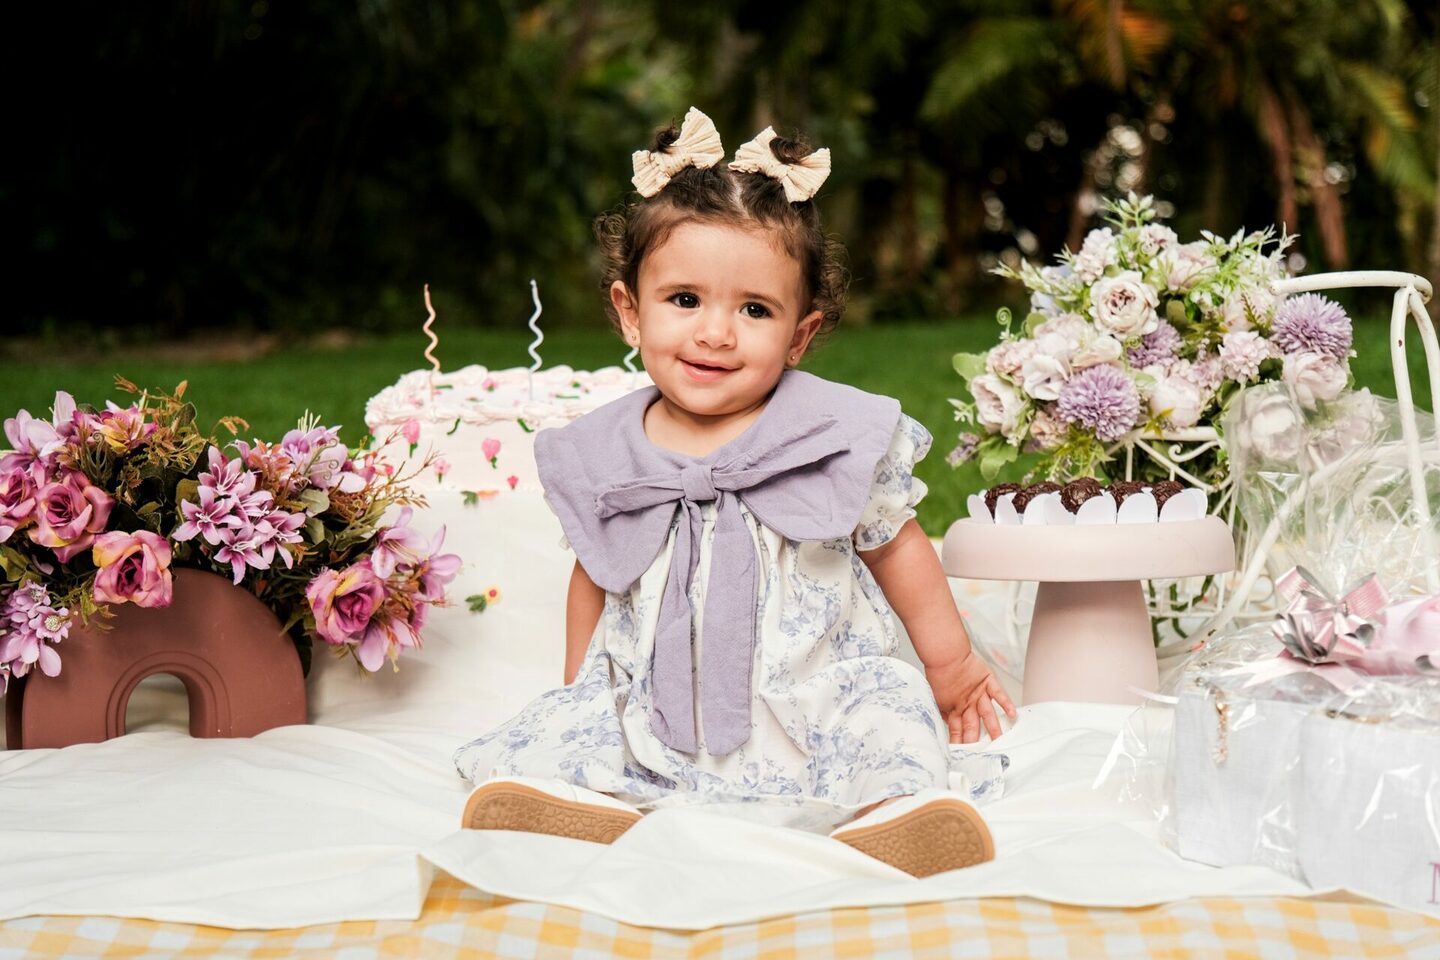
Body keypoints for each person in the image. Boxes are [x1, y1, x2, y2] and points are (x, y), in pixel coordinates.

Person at [453, 107, 1017, 877]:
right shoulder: (605, 451)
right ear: (629, 311)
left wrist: (949, 670)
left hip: (816, 682)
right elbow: (601, 566)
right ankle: (586, 805)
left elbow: (897, 545)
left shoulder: (830, 431)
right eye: (685, 300)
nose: (716, 332)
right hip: (654, 692)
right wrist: (578, 686)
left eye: (754, 310)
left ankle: (894, 812)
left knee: (886, 716)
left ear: (800, 335)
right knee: (581, 726)